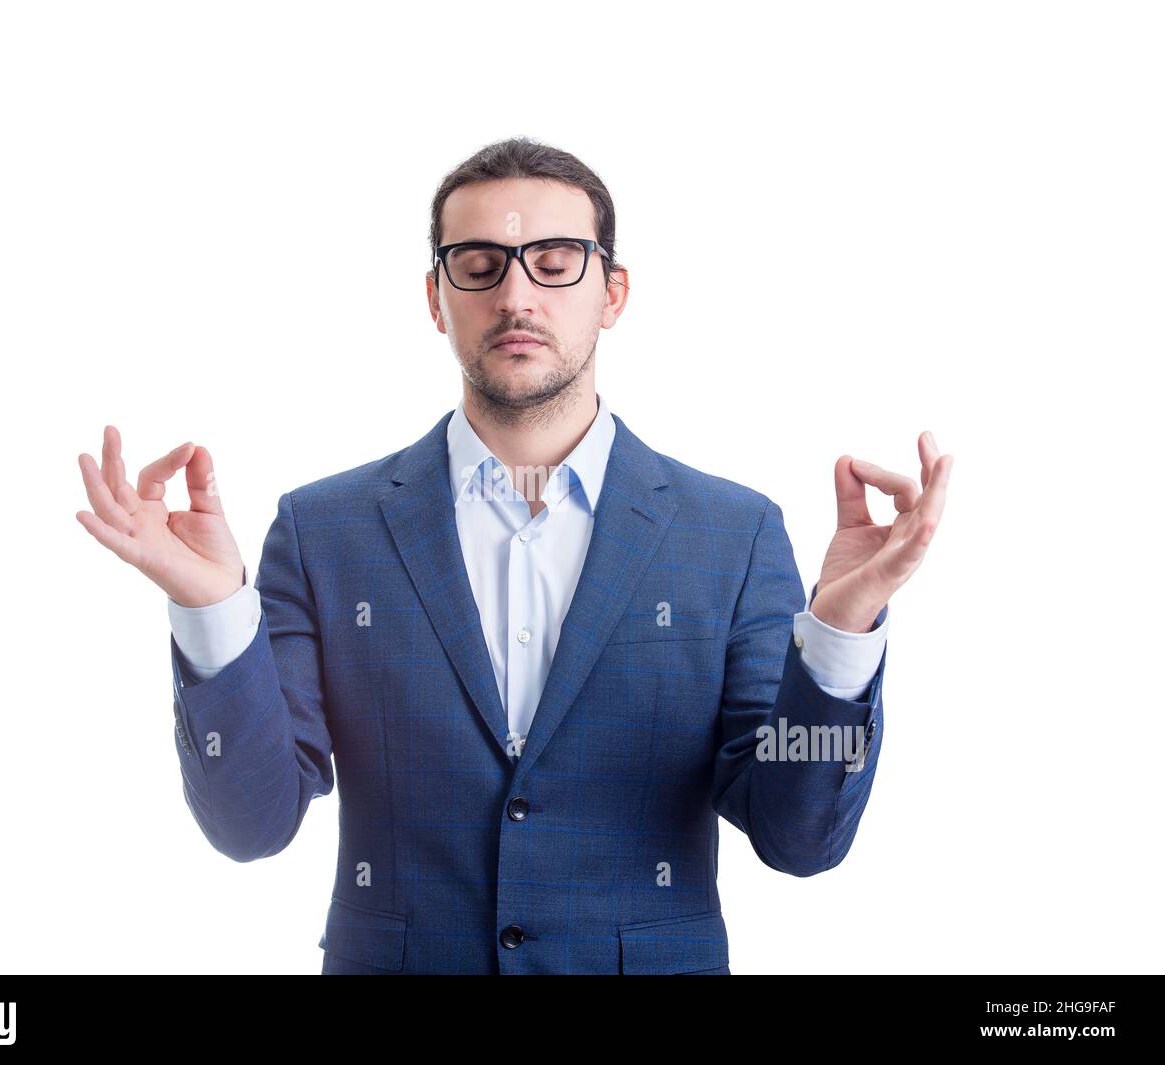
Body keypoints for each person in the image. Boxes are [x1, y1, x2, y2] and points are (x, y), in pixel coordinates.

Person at [76, 136, 952, 975]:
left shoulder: (733, 533)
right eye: (481, 264)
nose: (517, 296)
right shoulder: (322, 531)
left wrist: (839, 630)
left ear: (612, 292)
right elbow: (251, 824)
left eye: (557, 259)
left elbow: (798, 839)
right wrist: (212, 611)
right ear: (435, 297)